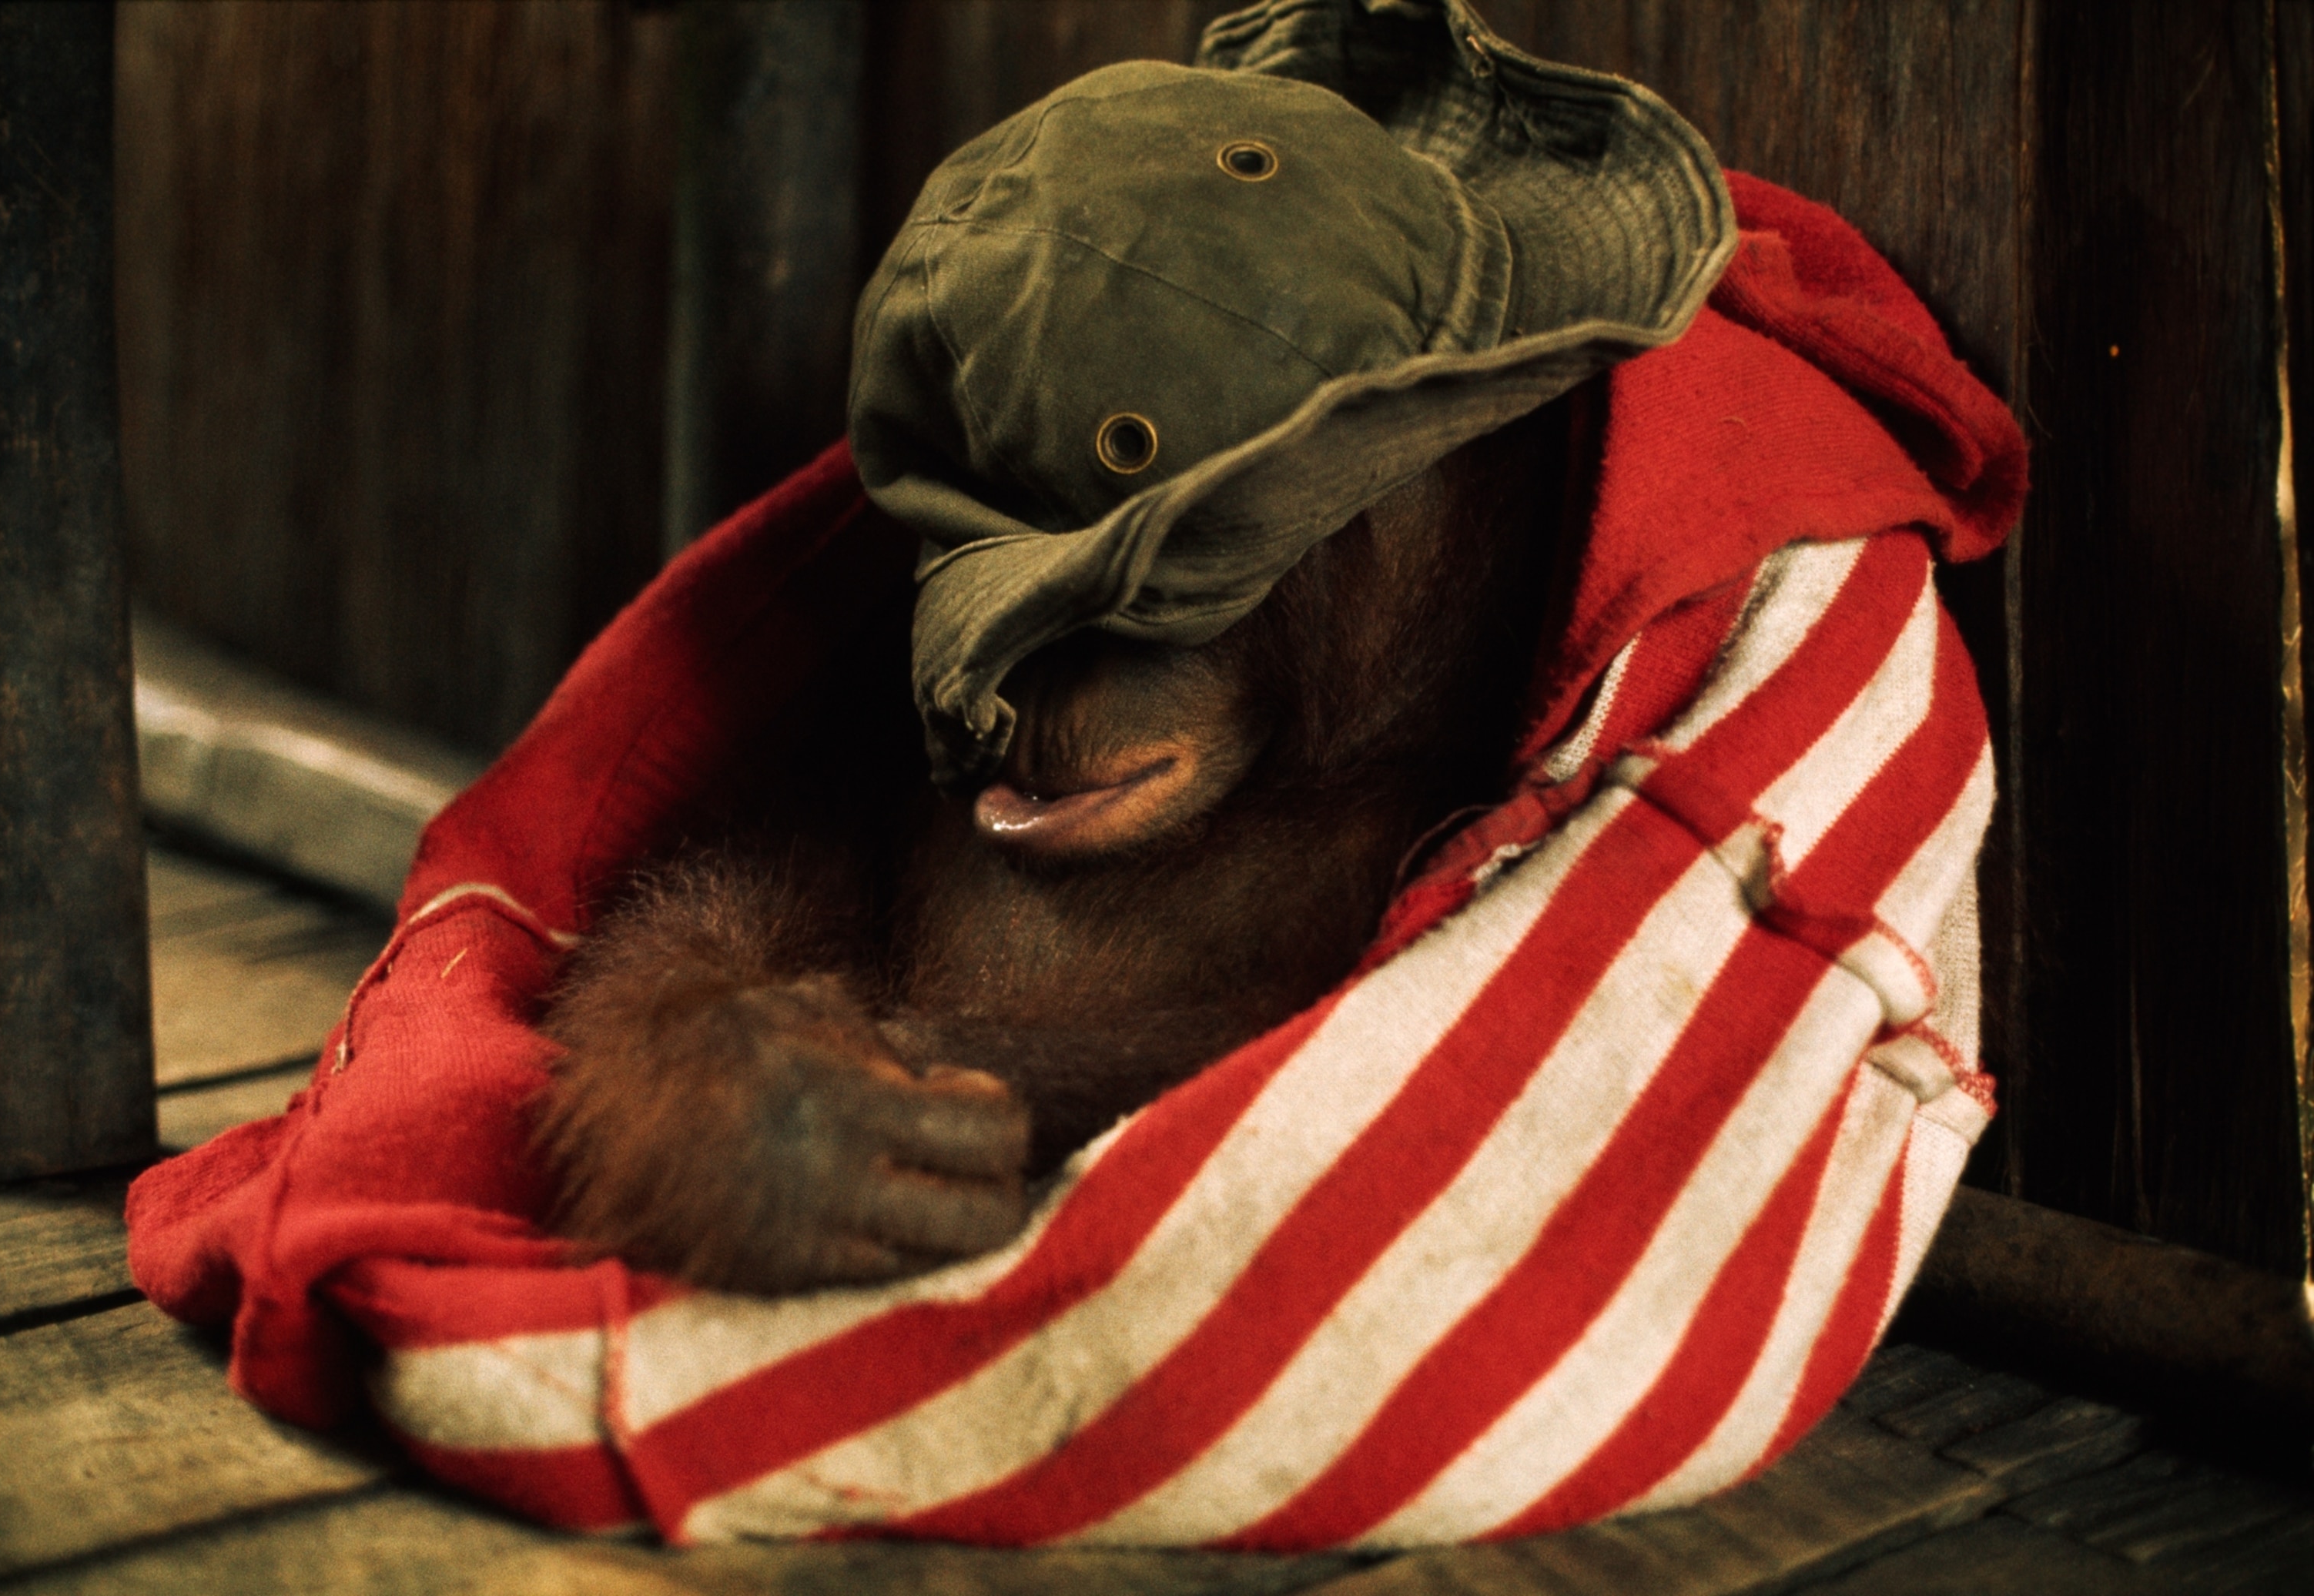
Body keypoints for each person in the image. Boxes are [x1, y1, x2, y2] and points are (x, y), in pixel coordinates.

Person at [127, 0, 2024, 1548]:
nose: (1031, 698)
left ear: (1403, 513)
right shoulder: (1019, 729)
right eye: (1007, 597)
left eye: (1149, 589)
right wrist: (701, 1066)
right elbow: (727, 884)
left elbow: (1560, 1104)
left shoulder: (1578, 614)